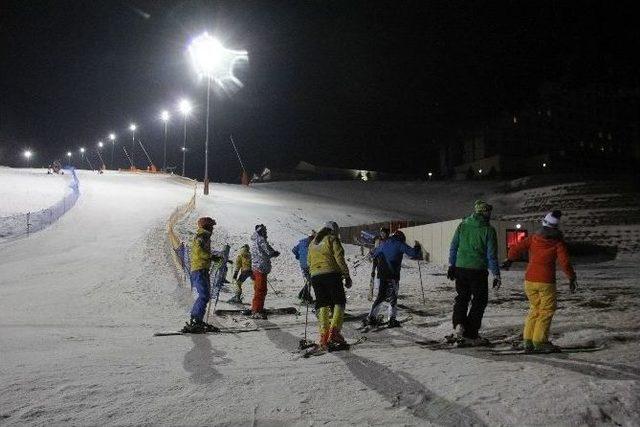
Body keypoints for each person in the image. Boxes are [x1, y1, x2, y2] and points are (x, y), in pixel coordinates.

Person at [502, 210, 577, 353]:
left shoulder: (533, 238)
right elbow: (565, 262)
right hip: (546, 281)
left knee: (534, 309)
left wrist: (510, 259)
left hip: (529, 280)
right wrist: (571, 277)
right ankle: (540, 341)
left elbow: (515, 248)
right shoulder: (557, 243)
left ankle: (528, 341)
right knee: (546, 311)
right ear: (556, 227)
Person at [447, 200, 500, 344]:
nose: (490, 214)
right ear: (483, 212)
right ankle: (471, 333)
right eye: (488, 211)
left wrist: (452, 265)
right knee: (479, 300)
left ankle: (459, 324)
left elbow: (453, 246)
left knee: (462, 298)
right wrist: (496, 274)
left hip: (461, 268)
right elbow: (491, 255)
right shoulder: (489, 230)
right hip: (478, 270)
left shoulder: (462, 225)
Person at [307, 221, 352, 350]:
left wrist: (312, 275)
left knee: (322, 304)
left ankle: (323, 335)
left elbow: (309, 261)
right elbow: (339, 258)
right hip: (331, 274)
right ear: (333, 230)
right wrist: (346, 276)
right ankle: (335, 332)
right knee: (339, 302)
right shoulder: (332, 239)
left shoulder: (313, 243)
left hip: (316, 276)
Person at [363, 230, 422, 328]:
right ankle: (391, 319)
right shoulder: (400, 244)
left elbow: (374, 254)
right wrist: (417, 247)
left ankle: (371, 317)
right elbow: (413, 254)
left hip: (381, 275)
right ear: (401, 238)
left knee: (381, 296)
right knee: (393, 298)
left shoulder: (384, 243)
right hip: (392, 275)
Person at [183, 217, 220, 333]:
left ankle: (197, 319)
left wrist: (212, 256)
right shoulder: (203, 236)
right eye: (211, 226)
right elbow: (200, 251)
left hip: (201, 268)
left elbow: (202, 251)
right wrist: (211, 257)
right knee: (204, 295)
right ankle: (195, 320)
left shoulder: (204, 236)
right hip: (200, 269)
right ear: (206, 226)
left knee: (205, 295)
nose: (213, 229)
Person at [250, 224, 280, 319]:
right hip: (261, 267)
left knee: (258, 289)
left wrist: (271, 253)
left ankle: (256, 307)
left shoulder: (256, 240)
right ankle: (257, 311)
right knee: (261, 289)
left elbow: (263, 251)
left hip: (256, 267)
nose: (266, 233)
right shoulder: (261, 239)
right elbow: (266, 250)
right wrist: (273, 253)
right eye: (265, 231)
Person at [292, 230, 316, 304]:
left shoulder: (301, 242)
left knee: (309, 280)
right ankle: (304, 295)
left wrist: (298, 256)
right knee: (312, 280)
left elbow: (294, 250)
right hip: (310, 264)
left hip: (303, 265)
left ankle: (304, 294)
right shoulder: (313, 243)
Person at [369, 227, 390, 301]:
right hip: (379, 262)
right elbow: (375, 252)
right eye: (381, 233)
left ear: (387, 233)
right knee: (379, 277)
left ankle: (387, 293)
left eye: (384, 233)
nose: (382, 234)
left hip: (387, 263)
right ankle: (381, 293)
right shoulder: (378, 240)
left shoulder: (389, 241)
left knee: (387, 278)